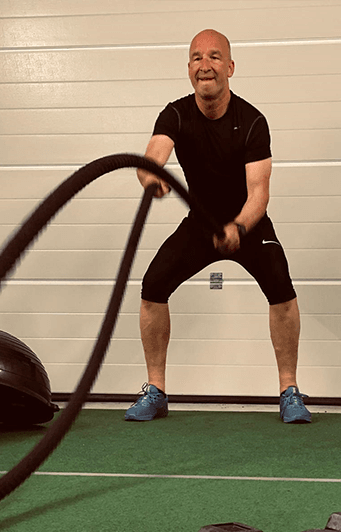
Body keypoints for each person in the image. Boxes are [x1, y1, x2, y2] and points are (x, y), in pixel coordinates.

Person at [124, 29, 311, 424]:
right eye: (196, 58)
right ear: (189, 69)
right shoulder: (175, 113)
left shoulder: (252, 120)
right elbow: (151, 159)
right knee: (152, 287)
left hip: (247, 221)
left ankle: (289, 391)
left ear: (229, 67)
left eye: (213, 57)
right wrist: (150, 178)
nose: (204, 65)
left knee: (282, 289)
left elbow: (259, 194)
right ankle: (155, 391)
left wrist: (239, 229)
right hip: (200, 222)